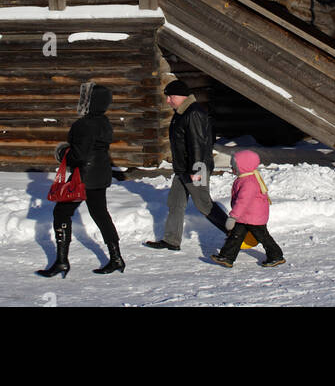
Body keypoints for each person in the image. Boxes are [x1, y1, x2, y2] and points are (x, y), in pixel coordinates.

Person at [37, 81, 125, 278]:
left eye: (85, 98)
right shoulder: (104, 122)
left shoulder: (84, 124)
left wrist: (62, 152)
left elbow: (80, 154)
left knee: (61, 213)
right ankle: (116, 258)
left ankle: (61, 261)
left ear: (90, 102)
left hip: (83, 177)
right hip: (100, 175)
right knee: (101, 215)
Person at [144, 79, 229, 251]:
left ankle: (234, 233)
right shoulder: (182, 112)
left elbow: (198, 144)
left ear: (182, 96)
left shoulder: (193, 113)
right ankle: (171, 240)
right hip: (183, 169)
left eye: (170, 97)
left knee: (204, 204)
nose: (168, 101)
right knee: (175, 202)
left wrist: (197, 170)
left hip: (196, 169)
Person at [210, 148, 285, 268]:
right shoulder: (244, 179)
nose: (232, 169)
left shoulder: (248, 182)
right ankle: (227, 257)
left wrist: (233, 216)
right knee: (235, 235)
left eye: (234, 166)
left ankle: (276, 255)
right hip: (245, 217)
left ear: (244, 166)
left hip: (254, 218)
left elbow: (243, 202)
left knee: (263, 237)